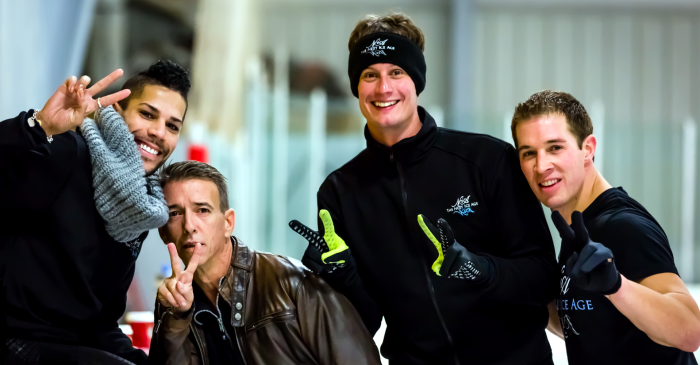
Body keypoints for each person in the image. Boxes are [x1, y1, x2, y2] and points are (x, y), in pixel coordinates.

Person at [288, 13, 558, 365]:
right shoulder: (341, 191)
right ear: (357, 87)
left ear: (416, 80)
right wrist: (343, 274)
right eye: (370, 75)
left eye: (396, 73)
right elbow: (366, 324)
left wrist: (478, 269)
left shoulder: (487, 160)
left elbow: (542, 278)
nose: (383, 88)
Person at [0, 60, 191, 364]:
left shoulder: (138, 205)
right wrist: (38, 126)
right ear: (118, 113)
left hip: (69, 347)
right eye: (147, 114)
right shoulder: (70, 153)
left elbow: (100, 323)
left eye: (172, 126)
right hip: (17, 339)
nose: (158, 132)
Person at [511, 90, 700, 364]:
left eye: (555, 148)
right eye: (529, 153)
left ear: (587, 149)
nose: (541, 166)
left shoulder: (622, 226)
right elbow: (585, 326)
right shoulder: (578, 227)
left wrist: (617, 286)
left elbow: (691, 330)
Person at [150, 161, 380, 365]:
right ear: (163, 232)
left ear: (228, 223)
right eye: (175, 213)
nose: (189, 225)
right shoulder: (172, 302)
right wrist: (177, 318)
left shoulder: (291, 283)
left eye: (202, 210)